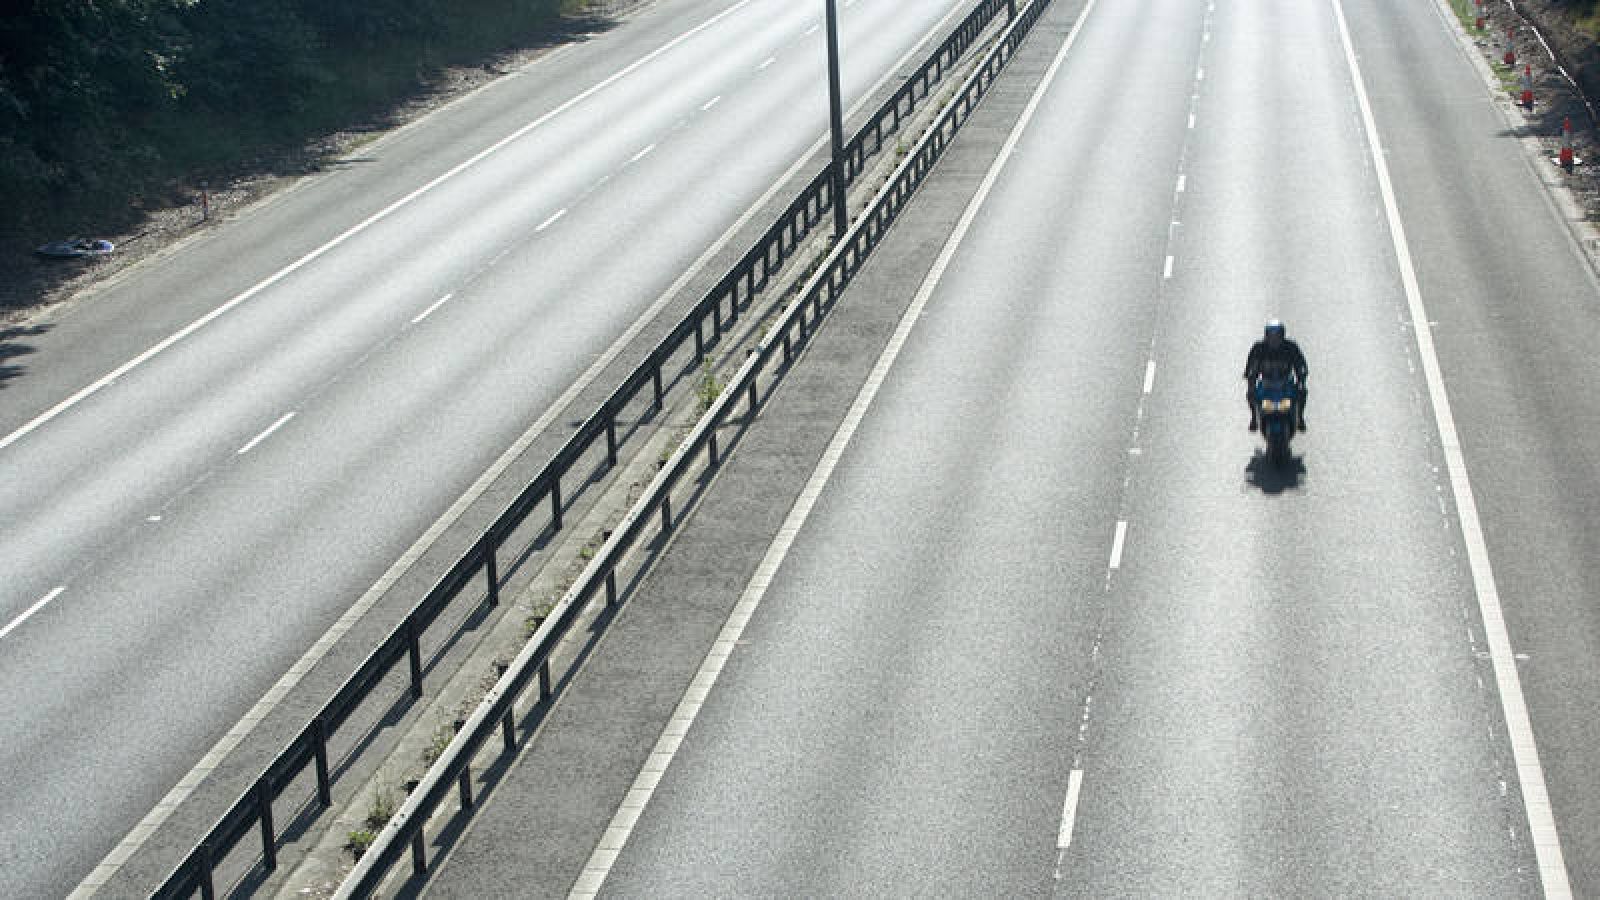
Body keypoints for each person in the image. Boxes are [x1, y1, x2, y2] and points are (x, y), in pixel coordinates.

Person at [1243, 319, 1308, 431]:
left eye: (1277, 336)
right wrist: (1250, 376)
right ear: (1266, 336)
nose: (1274, 339)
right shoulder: (1258, 348)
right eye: (1271, 336)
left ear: (1282, 335)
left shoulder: (1291, 347)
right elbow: (1250, 365)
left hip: (1286, 382)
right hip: (1266, 383)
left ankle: (1300, 418)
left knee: (1302, 391)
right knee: (1251, 393)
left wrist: (1301, 376)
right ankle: (1254, 418)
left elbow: (1301, 363)